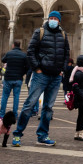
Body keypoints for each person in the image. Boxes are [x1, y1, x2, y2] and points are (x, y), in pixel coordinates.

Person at [12, 10, 69, 147]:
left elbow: (66, 53)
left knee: (48, 107)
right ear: (48, 19)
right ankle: (18, 134)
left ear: (59, 21)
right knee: (29, 104)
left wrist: (62, 69)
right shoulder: (40, 32)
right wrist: (37, 68)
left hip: (56, 76)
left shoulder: (63, 34)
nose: (53, 20)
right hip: (41, 74)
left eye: (56, 18)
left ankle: (42, 136)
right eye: (51, 18)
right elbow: (30, 51)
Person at [65, 54, 83, 141]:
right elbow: (75, 87)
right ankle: (81, 132)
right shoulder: (80, 74)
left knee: (82, 114)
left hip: (82, 97)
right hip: (81, 98)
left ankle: (78, 132)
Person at [0, 39, 27, 117]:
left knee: (5, 96)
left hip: (8, 77)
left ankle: (2, 114)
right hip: (18, 78)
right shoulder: (23, 55)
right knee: (16, 97)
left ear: (13, 45)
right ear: (20, 46)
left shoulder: (9, 53)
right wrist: (22, 73)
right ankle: (15, 114)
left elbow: (3, 60)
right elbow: (28, 66)